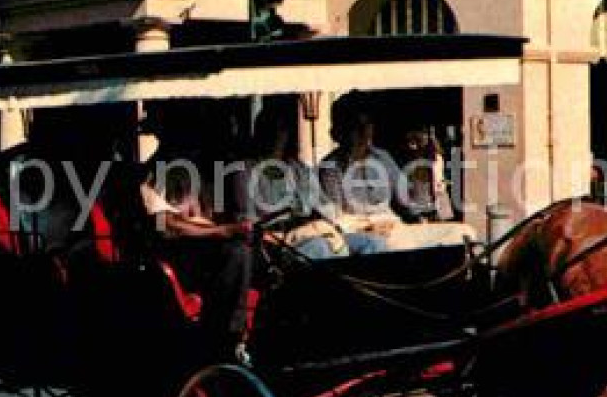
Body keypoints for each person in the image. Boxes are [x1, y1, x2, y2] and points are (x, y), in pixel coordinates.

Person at [141, 134, 254, 359]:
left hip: (203, 250)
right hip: (177, 256)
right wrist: (222, 231)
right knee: (237, 253)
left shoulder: (195, 179)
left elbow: (207, 218)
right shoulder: (151, 182)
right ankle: (228, 335)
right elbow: (169, 226)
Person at [246, 102, 344, 260]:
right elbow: (247, 221)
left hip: (308, 230)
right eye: (273, 129)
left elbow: (327, 207)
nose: (278, 134)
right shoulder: (247, 170)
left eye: (283, 129)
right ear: (261, 132)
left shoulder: (299, 169)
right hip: (275, 241)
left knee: (368, 243)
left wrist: (317, 213)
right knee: (320, 247)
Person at [318, 96, 408, 254]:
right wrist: (369, 226)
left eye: (367, 124)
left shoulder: (383, 158)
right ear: (341, 131)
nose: (363, 132)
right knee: (377, 245)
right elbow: (336, 217)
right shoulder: (330, 166)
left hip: (394, 229)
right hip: (357, 234)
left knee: (457, 233)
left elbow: (406, 200)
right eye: (356, 126)